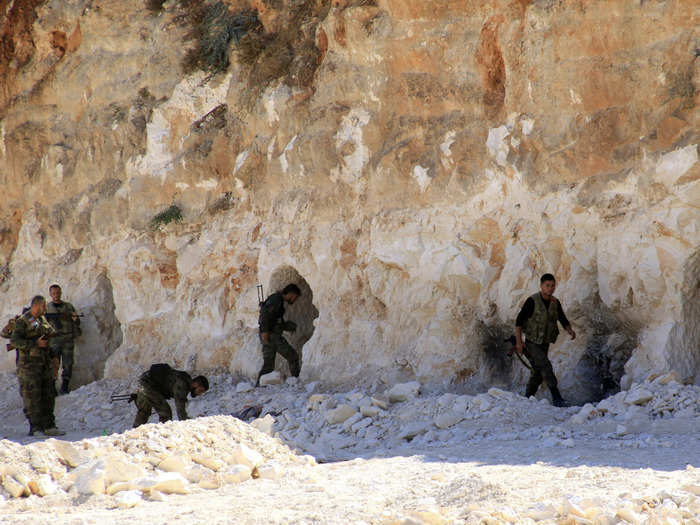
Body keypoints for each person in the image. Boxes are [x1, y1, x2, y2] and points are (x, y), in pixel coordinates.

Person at [515, 273, 576, 407]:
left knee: (538, 372)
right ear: (541, 286)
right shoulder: (532, 301)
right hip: (532, 343)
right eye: (547, 285)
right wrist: (519, 342)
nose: (550, 288)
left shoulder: (555, 302)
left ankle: (527, 398)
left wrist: (569, 329)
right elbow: (518, 322)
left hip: (545, 343)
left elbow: (562, 318)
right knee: (546, 366)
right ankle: (557, 398)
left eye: (553, 286)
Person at [10, 295, 65, 436]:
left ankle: (49, 426)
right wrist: (35, 344)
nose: (46, 308)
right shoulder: (23, 321)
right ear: (37, 305)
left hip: (44, 364)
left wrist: (53, 356)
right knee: (32, 397)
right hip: (29, 366)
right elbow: (15, 341)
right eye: (44, 306)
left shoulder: (41, 319)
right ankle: (35, 428)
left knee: (48, 394)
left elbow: (48, 335)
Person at [133, 363, 209, 427]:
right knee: (166, 413)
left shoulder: (184, 380)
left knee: (145, 410)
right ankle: (163, 434)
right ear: (195, 384)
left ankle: (135, 432)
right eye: (200, 390)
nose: (199, 394)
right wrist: (187, 424)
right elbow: (180, 409)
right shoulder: (183, 384)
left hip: (144, 382)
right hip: (147, 385)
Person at [256, 283, 301, 387]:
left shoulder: (277, 300)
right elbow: (265, 315)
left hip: (270, 334)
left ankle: (259, 386)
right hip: (271, 336)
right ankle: (296, 380)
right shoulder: (276, 299)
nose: (294, 300)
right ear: (291, 293)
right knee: (292, 356)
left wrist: (287, 326)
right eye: (295, 297)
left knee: (268, 363)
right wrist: (264, 332)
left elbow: (275, 320)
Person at [45, 284, 81, 394]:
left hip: (67, 340)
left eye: (58, 293)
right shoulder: (47, 308)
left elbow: (77, 322)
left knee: (68, 363)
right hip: (54, 341)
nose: (56, 295)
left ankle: (64, 386)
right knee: (54, 364)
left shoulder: (68, 307)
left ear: (61, 293)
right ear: (50, 294)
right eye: (54, 293)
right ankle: (52, 388)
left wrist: (75, 319)